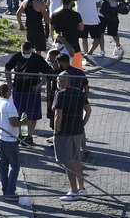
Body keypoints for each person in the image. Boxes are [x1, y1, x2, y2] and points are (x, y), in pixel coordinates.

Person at [3, 41, 53, 144]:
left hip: (32, 91)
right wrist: (9, 83)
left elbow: (47, 71)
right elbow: (7, 68)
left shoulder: (37, 58)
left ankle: (29, 136)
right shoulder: (16, 56)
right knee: (19, 114)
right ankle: (22, 134)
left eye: (28, 52)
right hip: (18, 90)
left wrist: (40, 84)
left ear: (32, 50)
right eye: (23, 52)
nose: (26, 55)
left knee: (32, 115)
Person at [53, 72, 92, 201]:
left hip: (64, 133)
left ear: (64, 81)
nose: (57, 83)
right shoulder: (79, 93)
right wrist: (83, 123)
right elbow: (88, 110)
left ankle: (74, 191)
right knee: (76, 160)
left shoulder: (61, 94)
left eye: (59, 80)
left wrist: (56, 132)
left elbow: (58, 115)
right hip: (78, 132)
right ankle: (82, 188)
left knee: (67, 161)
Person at [0, 83, 22, 199]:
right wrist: (23, 122)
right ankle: (10, 191)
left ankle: (5, 190)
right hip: (9, 138)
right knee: (15, 166)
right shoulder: (9, 105)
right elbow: (14, 123)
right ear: (7, 92)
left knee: (3, 165)